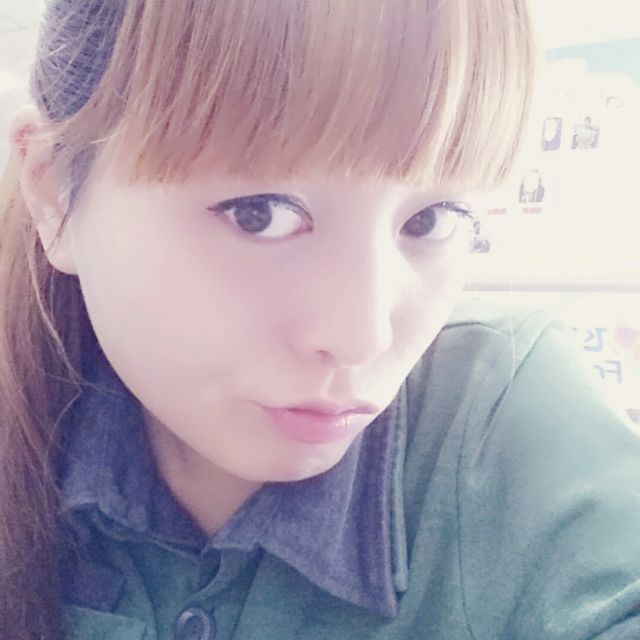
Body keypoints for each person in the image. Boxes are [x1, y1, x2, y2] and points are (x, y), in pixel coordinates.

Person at [2, 1, 640, 639]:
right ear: (54, 193)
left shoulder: (502, 415)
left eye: (432, 220)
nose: (363, 338)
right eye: (260, 214)